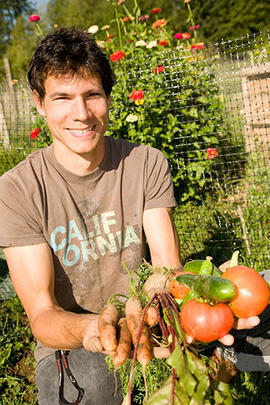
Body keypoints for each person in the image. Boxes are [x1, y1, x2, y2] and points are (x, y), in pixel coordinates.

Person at [0, 27, 269, 404]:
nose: (81, 114)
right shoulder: (17, 189)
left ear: (108, 97)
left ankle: (220, 368)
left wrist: (155, 307)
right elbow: (43, 314)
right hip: (73, 337)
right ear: (40, 102)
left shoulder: (144, 163)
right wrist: (99, 326)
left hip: (150, 315)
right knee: (94, 386)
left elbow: (164, 266)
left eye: (92, 95)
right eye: (63, 98)